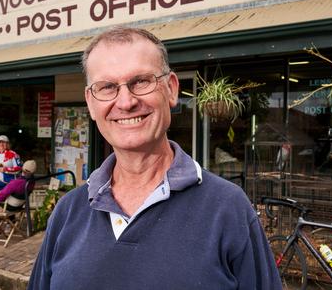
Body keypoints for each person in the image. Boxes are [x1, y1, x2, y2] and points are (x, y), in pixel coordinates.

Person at [28, 27, 282, 289]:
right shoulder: (68, 212)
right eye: (107, 87)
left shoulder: (228, 208)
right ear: (91, 103)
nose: (126, 102)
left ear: (171, 89)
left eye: (140, 81)